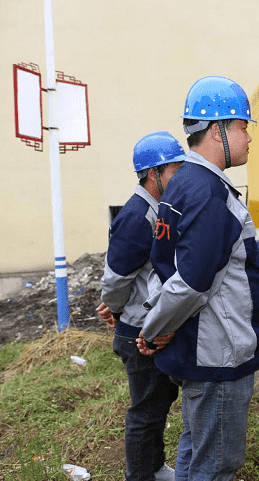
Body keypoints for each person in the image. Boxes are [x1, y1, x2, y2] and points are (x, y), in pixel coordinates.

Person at [136, 76, 259, 481]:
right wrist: (153, 329)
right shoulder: (210, 194)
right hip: (217, 355)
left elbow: (162, 270)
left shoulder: (181, 187)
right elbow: (193, 283)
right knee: (215, 466)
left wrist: (157, 326)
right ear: (218, 131)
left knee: (197, 450)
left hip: (199, 348)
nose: (248, 138)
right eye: (243, 127)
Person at [97, 131, 186, 481]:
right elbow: (116, 279)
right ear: (154, 174)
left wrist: (114, 305)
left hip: (145, 325)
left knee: (158, 404)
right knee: (145, 412)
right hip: (137, 332)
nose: (179, 177)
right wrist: (113, 309)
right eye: (174, 171)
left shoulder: (154, 211)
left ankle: (154, 467)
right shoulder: (137, 217)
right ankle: (140, 475)